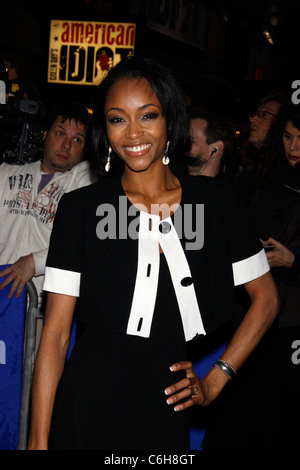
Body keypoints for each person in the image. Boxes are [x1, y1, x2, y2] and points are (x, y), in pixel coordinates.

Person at [28, 56, 278, 450]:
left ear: (170, 120)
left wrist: (215, 380)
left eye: (148, 115)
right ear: (105, 128)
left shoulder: (215, 203)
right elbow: (56, 335)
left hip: (166, 411)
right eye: (117, 119)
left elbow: (265, 300)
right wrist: (38, 441)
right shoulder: (81, 209)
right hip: (85, 408)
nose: (132, 133)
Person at [203, 102, 300, 450]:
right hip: (248, 315)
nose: (294, 148)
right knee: (234, 423)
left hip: (291, 327)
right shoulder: (258, 178)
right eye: (288, 137)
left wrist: (294, 262)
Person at [0, 101, 97, 304]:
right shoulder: (6, 173)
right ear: (44, 135)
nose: (66, 146)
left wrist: (35, 262)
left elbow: (85, 241)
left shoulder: (83, 185)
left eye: (77, 140)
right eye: (60, 133)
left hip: (40, 310)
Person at [188, 108, 237, 182]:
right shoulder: (174, 183)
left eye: (190, 139)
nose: (182, 144)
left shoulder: (221, 192)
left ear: (216, 149)